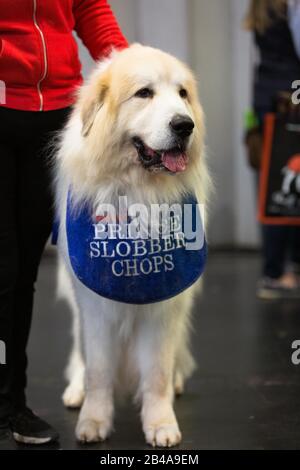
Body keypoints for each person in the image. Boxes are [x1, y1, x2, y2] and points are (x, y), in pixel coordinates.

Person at [0, 0, 128, 446]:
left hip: (57, 115)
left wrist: (129, 68)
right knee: (3, 269)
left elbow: (88, 6)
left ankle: (11, 402)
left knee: (23, 275)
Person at [244, 0, 300, 299]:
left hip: (269, 102)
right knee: (288, 189)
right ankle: (281, 272)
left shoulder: (263, 5)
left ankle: (274, 271)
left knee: (273, 188)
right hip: (291, 104)